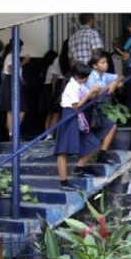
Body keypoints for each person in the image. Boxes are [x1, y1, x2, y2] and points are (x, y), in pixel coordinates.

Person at [55, 63, 104, 191]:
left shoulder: (80, 85)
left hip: (79, 117)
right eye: (85, 77)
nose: (87, 79)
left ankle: (79, 167)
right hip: (69, 116)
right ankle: (64, 182)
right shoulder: (72, 86)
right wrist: (90, 93)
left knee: (94, 143)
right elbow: (76, 105)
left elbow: (89, 96)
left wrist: (97, 91)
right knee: (63, 151)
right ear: (78, 77)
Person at [87, 51, 125, 165]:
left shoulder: (104, 75)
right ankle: (94, 155)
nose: (106, 65)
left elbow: (121, 77)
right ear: (95, 66)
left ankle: (101, 153)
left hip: (104, 105)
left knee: (111, 126)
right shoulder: (91, 77)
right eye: (102, 63)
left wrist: (116, 82)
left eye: (106, 62)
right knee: (107, 128)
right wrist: (110, 87)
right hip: (94, 107)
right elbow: (92, 96)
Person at [0, 40, 30, 138]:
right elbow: (11, 70)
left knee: (11, 110)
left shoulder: (12, 56)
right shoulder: (10, 56)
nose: (21, 49)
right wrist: (24, 62)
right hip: (10, 83)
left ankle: (12, 133)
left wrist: (21, 79)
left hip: (12, 82)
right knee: (18, 110)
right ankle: (13, 132)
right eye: (20, 46)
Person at [39, 50, 63, 136]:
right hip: (53, 88)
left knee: (50, 113)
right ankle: (51, 134)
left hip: (46, 88)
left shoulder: (47, 66)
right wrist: (54, 92)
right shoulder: (57, 62)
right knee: (56, 112)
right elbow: (54, 79)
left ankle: (47, 133)